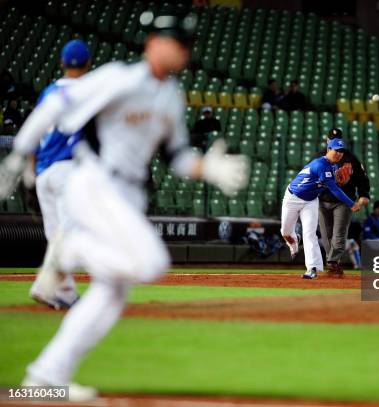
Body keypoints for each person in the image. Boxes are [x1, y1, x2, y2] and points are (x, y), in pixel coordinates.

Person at [0, 9, 249, 401]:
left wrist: (208, 168)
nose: (182, 49)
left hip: (128, 194)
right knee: (152, 263)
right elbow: (57, 100)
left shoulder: (170, 95)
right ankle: (70, 250)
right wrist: (19, 154)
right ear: (152, 42)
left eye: (186, 43)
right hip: (97, 181)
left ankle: (44, 379)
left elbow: (177, 156)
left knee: (110, 296)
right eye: (175, 40)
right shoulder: (120, 78)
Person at [28, 39, 92, 310]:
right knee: (69, 233)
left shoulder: (48, 93)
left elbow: (33, 131)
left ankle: (63, 292)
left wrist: (31, 169)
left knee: (56, 236)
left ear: (62, 63)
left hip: (43, 172)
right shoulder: (89, 91)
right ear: (89, 64)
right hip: (68, 169)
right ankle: (44, 284)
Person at [281, 138, 361, 279]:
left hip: (310, 201)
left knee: (310, 233)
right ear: (329, 149)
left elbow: (330, 185)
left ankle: (312, 268)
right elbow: (334, 190)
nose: (338, 154)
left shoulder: (333, 166)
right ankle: (293, 239)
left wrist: (339, 181)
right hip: (292, 198)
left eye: (341, 151)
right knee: (285, 231)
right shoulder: (320, 165)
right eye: (336, 150)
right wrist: (351, 203)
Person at [318, 128, 369, 277]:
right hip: (323, 200)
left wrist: (364, 194)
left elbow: (362, 177)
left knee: (339, 233)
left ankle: (333, 263)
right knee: (326, 235)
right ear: (328, 141)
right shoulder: (319, 157)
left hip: (344, 201)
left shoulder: (350, 158)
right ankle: (333, 263)